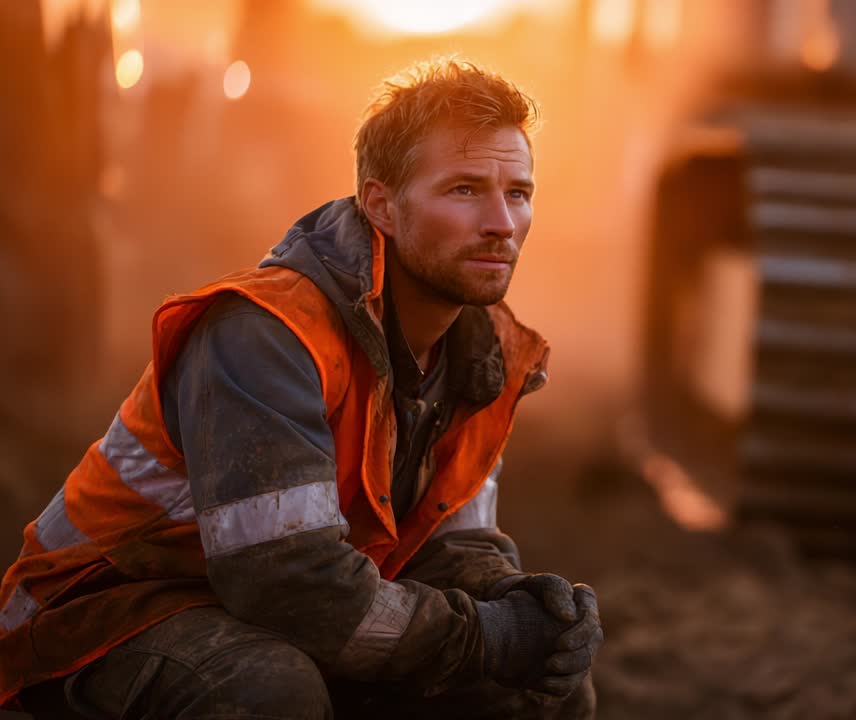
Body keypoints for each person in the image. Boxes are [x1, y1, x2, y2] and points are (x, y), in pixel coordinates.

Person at [0, 58, 602, 719]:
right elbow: (285, 581)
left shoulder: (484, 359)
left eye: (518, 193)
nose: (501, 222)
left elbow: (447, 545)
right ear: (382, 206)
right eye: (464, 190)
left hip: (276, 607)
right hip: (105, 615)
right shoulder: (269, 333)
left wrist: (530, 610)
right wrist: (486, 636)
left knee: (540, 688)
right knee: (267, 690)